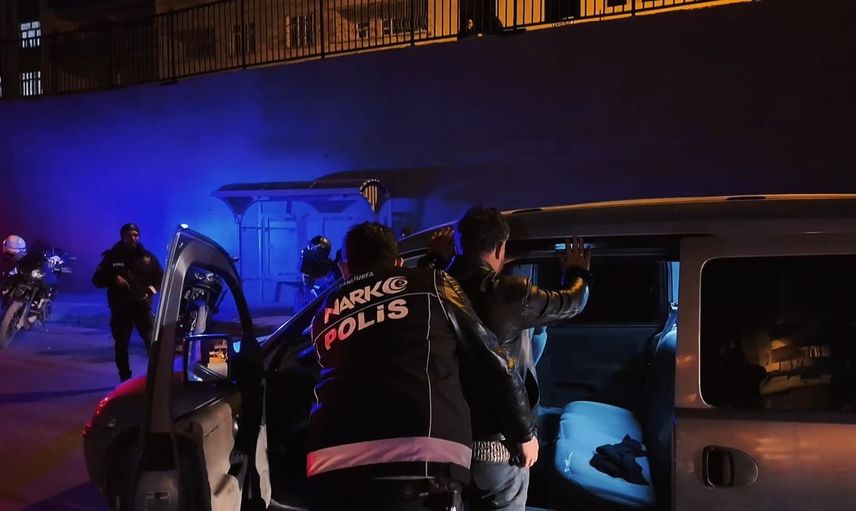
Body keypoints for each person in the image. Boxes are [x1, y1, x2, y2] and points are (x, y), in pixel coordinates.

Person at [306, 222, 537, 511]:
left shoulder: (324, 313)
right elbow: (490, 357)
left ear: (344, 268)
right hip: (421, 464)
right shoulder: (433, 283)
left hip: (333, 467)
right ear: (399, 263)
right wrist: (524, 433)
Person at [422, 207, 592, 511]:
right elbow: (573, 302)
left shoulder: (429, 289)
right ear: (501, 248)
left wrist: (433, 258)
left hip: (444, 449)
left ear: (458, 244)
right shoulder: (510, 293)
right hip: (497, 452)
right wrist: (577, 272)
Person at [92, 223, 163, 383]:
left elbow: (160, 277)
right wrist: (113, 278)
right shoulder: (112, 257)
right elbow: (96, 280)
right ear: (123, 237)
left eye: (136, 235)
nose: (133, 238)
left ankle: (156, 377)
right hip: (121, 309)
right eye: (129, 235)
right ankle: (125, 378)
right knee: (121, 345)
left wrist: (151, 290)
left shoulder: (147, 258)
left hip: (142, 308)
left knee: (152, 342)